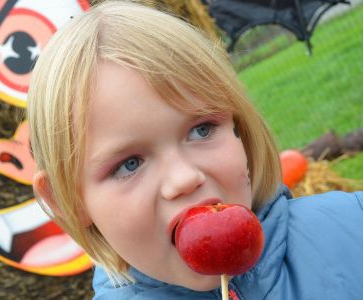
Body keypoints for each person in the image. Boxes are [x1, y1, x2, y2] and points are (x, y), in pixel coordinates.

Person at [26, 1, 363, 299]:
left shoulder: (352, 226)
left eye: (201, 130)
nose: (184, 178)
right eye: (129, 164)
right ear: (69, 200)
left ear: (239, 128)